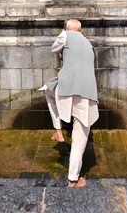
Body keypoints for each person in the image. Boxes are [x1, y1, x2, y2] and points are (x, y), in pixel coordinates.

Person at [42, 19, 98, 188]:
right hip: (86, 92)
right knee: (80, 136)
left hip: (65, 88)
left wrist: (64, 36)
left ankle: (58, 129)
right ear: (81, 31)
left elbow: (54, 48)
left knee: (47, 90)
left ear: (67, 28)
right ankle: (73, 178)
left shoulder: (65, 34)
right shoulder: (89, 44)